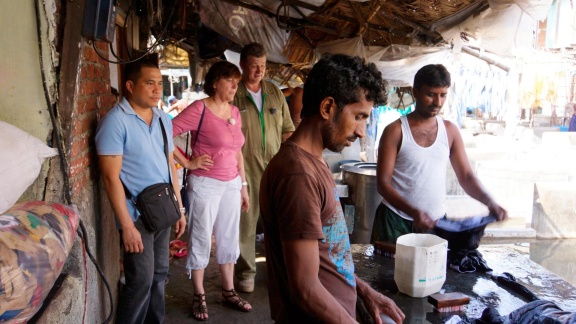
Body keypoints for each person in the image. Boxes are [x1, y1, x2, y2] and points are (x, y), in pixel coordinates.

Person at [260, 54, 405, 323]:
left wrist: (363, 290)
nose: (362, 131)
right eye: (359, 116)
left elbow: (328, 256)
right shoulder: (297, 174)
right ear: (328, 108)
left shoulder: (313, 161)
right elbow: (305, 289)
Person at [372, 64, 508, 244]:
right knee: (389, 271)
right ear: (415, 92)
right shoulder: (395, 131)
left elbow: (466, 176)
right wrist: (414, 212)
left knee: (433, 271)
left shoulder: (450, 131)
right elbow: (383, 184)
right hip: (395, 221)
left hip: (436, 222)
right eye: (431, 94)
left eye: (443, 95)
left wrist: (490, 202)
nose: (437, 102)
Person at [95, 58, 187, 324]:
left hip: (163, 209)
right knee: (140, 281)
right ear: (130, 85)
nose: (157, 89)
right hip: (136, 215)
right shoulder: (115, 123)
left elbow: (170, 165)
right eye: (150, 83)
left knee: (159, 275)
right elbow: (111, 178)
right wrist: (127, 227)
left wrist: (179, 209)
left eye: (159, 83)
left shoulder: (161, 118)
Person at [171, 61, 252, 321]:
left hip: (231, 183)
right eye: (230, 81)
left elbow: (237, 150)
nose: (234, 87)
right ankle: (199, 294)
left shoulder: (235, 112)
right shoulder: (200, 109)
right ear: (216, 81)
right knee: (202, 238)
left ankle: (228, 291)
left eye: (237, 83)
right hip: (205, 184)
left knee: (229, 237)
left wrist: (243, 185)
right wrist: (187, 162)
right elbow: (164, 132)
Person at [233, 42, 295, 293]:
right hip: (244, 168)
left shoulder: (274, 92)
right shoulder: (233, 93)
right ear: (242, 66)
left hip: (275, 166)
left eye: (263, 66)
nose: (259, 71)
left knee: (280, 222)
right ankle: (246, 273)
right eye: (253, 66)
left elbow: (288, 130)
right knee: (246, 224)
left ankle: (280, 271)